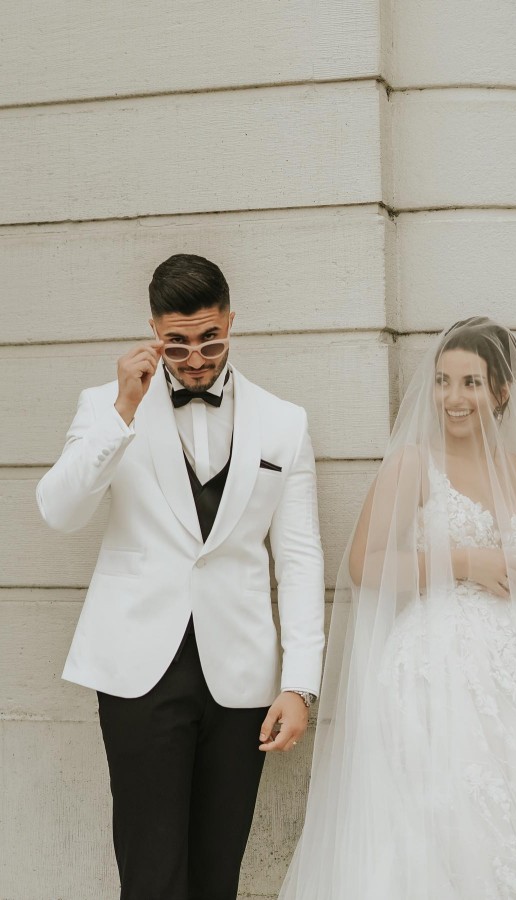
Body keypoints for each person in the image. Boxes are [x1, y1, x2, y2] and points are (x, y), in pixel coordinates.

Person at [279, 317, 516, 899]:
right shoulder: (413, 463)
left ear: (501, 391)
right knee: (443, 819)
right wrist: (466, 562)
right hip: (436, 667)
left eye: (470, 382)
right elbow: (365, 562)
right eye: (443, 381)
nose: (453, 398)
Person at [36, 254, 325, 900]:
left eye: (210, 340)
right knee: (152, 874)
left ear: (231, 323)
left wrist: (300, 684)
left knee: (217, 874)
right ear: (153, 331)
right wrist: (122, 412)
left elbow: (300, 557)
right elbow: (58, 512)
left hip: (241, 675)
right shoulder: (106, 406)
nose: (196, 359)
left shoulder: (285, 422)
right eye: (178, 343)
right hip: (138, 670)